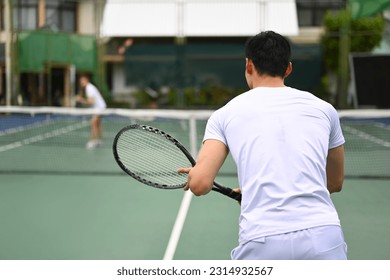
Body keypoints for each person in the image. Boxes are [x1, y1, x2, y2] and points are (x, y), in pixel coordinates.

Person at [178, 31, 347, 260]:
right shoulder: (325, 110)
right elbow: (334, 183)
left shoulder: (224, 115)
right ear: (288, 68)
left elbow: (199, 185)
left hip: (263, 240)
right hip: (324, 236)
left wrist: (198, 174)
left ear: (248, 65)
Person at [76, 75, 107, 149]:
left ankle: (92, 141)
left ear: (87, 80)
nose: (81, 82)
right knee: (97, 124)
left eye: (83, 80)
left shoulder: (89, 88)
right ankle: (100, 140)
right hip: (101, 107)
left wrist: (81, 99)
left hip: (99, 108)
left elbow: (91, 101)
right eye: (80, 81)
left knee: (93, 123)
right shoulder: (89, 87)